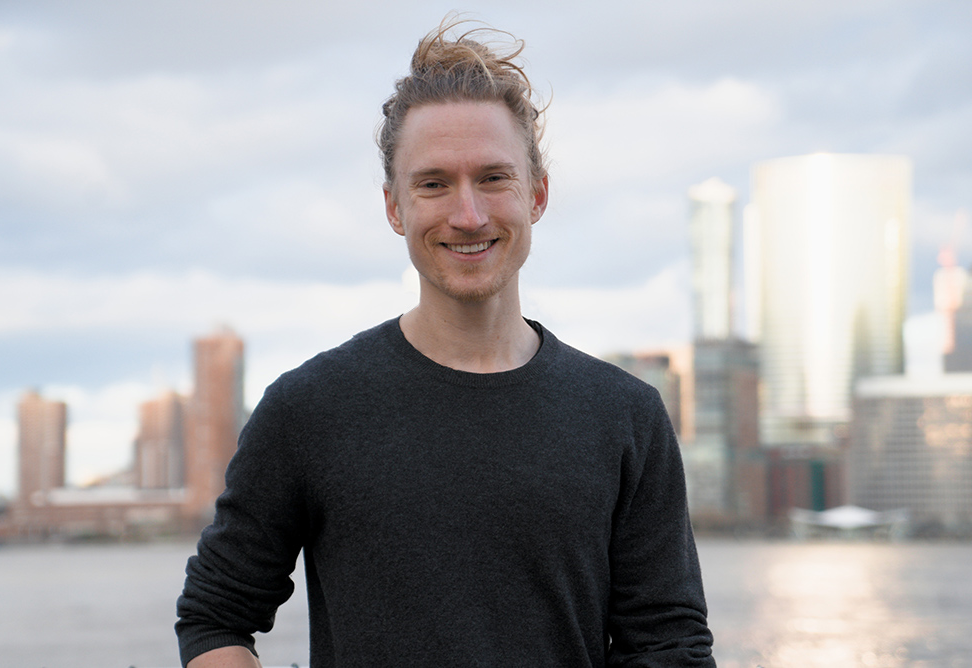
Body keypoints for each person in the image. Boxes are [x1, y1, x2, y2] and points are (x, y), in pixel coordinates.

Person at [176, 17, 715, 668]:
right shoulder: (308, 411)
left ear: (537, 193)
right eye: (434, 184)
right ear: (395, 207)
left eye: (493, 178)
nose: (468, 215)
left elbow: (669, 647)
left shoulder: (627, 418)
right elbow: (215, 619)